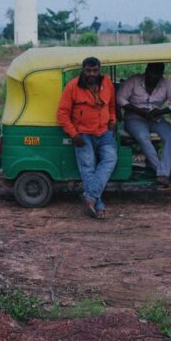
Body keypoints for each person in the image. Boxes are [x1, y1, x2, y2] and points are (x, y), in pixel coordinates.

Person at [57, 56, 117, 220]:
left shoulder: (107, 84)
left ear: (99, 70)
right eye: (88, 70)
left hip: (104, 131)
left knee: (111, 159)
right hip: (82, 134)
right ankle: (97, 204)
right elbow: (62, 114)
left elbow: (112, 106)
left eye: (95, 70)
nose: (92, 74)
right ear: (83, 70)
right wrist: (74, 134)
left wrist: (112, 120)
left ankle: (89, 197)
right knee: (88, 167)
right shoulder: (72, 87)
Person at [117, 62, 171, 187]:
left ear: (161, 74)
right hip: (134, 118)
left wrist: (162, 111)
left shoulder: (165, 83)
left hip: (156, 118)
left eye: (157, 74)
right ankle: (162, 173)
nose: (154, 77)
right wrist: (138, 111)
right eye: (152, 73)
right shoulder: (134, 80)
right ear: (146, 71)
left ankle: (162, 173)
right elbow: (120, 98)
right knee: (143, 137)